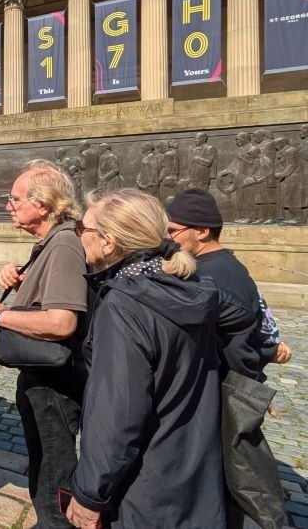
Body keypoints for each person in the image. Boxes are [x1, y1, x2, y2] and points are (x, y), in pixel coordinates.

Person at [66, 189, 225, 528]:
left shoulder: (126, 305)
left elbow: (118, 413)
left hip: (143, 488)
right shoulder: (188, 286)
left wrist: (90, 494)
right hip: (194, 475)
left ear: (109, 243)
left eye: (84, 229)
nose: (80, 237)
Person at [166, 188, 290, 527]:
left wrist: (244, 386)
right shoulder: (224, 264)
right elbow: (260, 328)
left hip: (226, 389)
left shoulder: (211, 274)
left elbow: (240, 341)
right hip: (233, 385)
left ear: (201, 231)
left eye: (173, 231)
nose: (168, 238)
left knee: (238, 478)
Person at [0, 164, 87, 529]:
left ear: (42, 205)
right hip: (42, 378)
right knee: (42, 461)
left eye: (15, 199)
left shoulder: (65, 245)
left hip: (55, 384)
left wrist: (0, 316)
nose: (9, 205)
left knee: (54, 468)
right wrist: (21, 276)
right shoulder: (52, 243)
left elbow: (61, 321)